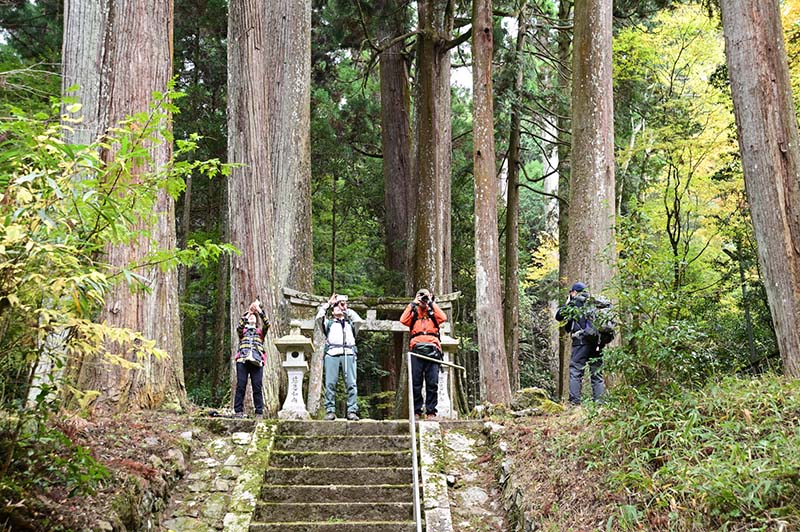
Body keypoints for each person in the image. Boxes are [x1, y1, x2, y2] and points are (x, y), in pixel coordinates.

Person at [400, 288, 448, 420]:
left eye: (425, 296)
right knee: (416, 382)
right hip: (416, 349)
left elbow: (443, 318)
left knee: (432, 382)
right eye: (421, 296)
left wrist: (431, 303)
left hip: (433, 349)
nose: (423, 299)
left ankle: (431, 411)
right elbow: (403, 320)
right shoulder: (414, 312)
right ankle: (416, 410)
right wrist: (413, 303)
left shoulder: (433, 312)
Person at [555, 282, 605, 405]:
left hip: (580, 343)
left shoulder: (574, 304)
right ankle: (599, 404)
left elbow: (558, 316)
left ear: (574, 292)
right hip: (597, 343)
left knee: (575, 372)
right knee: (597, 374)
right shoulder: (595, 303)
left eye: (571, 292)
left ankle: (574, 403)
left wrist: (568, 302)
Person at [316, 293, 364, 421]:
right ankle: (330, 410)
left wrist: (345, 308)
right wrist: (329, 303)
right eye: (336, 306)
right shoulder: (329, 323)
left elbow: (359, 320)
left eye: (340, 305)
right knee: (330, 383)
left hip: (349, 353)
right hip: (332, 353)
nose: (338, 307)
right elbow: (319, 316)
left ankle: (352, 410)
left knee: (351, 384)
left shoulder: (350, 323)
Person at [234, 299, 270, 418]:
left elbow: (267, 324)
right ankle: (238, 411)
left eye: (254, 317)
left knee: (257, 386)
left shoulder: (260, 332)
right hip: (243, 360)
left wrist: (259, 311)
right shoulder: (243, 332)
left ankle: (259, 412)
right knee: (241, 385)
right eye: (250, 317)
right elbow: (239, 326)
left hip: (257, 361)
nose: (252, 318)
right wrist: (249, 312)